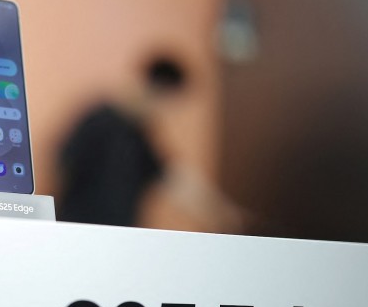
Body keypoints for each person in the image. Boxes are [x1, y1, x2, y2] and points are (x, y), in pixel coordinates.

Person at [56, 53, 244, 232]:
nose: (163, 111)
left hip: (120, 235)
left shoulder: (140, 136)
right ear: (155, 89)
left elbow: (172, 178)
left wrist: (218, 212)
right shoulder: (98, 120)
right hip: (80, 229)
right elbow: (62, 162)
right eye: (165, 102)